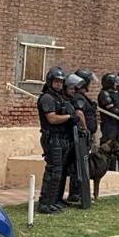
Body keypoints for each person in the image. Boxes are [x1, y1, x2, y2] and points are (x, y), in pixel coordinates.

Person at [36, 68, 83, 214]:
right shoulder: (47, 98)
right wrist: (70, 117)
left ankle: (54, 200)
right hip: (52, 138)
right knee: (53, 171)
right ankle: (45, 203)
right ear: (50, 81)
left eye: (61, 82)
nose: (59, 85)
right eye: (56, 81)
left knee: (60, 172)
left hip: (63, 138)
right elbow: (52, 118)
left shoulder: (59, 97)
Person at [64, 72, 91, 205]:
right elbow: (79, 113)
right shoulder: (78, 97)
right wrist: (85, 129)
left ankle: (77, 193)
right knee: (77, 166)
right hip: (77, 136)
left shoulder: (78, 96)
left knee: (77, 165)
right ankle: (75, 194)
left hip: (78, 136)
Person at [98, 72, 119, 171]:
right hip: (109, 124)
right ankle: (105, 168)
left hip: (117, 124)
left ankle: (112, 168)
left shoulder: (115, 94)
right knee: (108, 146)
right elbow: (111, 108)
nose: (116, 85)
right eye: (114, 83)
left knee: (115, 149)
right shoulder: (104, 93)